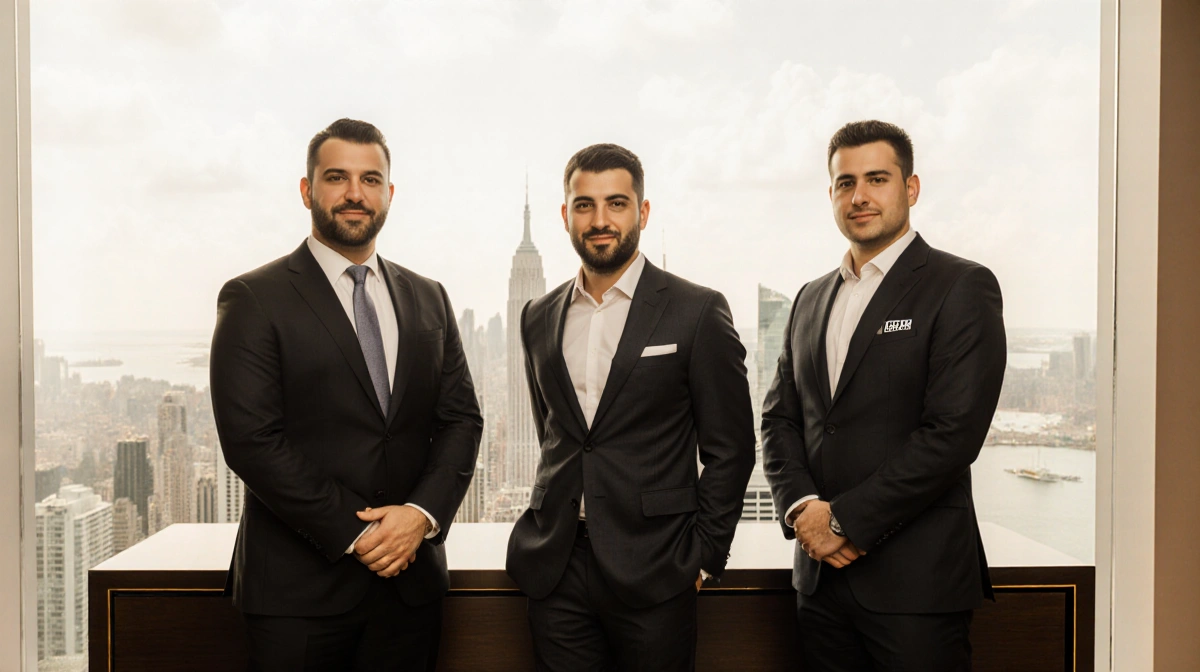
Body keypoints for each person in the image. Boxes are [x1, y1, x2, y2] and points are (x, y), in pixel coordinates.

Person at [210, 118, 482, 671]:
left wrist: (420, 516)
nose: (355, 194)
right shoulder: (253, 298)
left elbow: (461, 420)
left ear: (389, 193)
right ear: (307, 189)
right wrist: (360, 535)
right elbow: (251, 441)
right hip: (297, 597)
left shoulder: (429, 297)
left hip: (410, 588)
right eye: (338, 177)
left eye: (371, 179)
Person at [762, 120, 1006, 671]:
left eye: (877, 178)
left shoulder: (961, 286)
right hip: (820, 586)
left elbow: (952, 436)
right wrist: (803, 511)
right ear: (831, 195)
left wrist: (842, 522)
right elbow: (780, 419)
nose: (860, 196)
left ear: (911, 188)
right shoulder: (809, 298)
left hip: (916, 587)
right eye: (845, 183)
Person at [506, 143, 756, 671]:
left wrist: (705, 554)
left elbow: (731, 448)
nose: (600, 220)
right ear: (565, 215)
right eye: (584, 205)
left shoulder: (696, 310)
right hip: (558, 566)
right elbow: (556, 429)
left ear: (642, 212)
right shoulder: (537, 315)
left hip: (657, 566)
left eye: (616, 204)